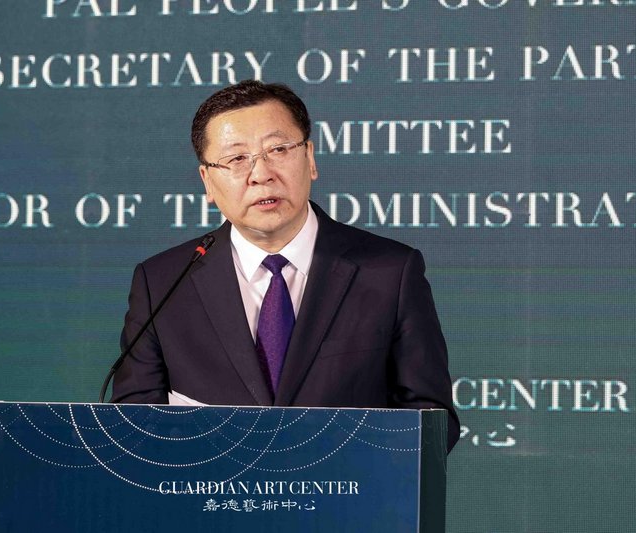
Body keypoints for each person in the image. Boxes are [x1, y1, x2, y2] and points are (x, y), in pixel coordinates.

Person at [112, 80, 459, 451]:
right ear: (207, 181)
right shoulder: (162, 283)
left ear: (309, 158)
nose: (261, 174)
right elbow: (135, 428)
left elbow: (431, 422)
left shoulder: (390, 272)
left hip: (344, 487)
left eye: (277, 149)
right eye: (236, 159)